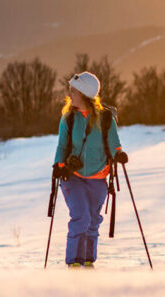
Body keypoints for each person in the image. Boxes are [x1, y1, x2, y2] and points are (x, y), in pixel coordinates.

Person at [52, 71, 128, 268]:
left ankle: (88, 261)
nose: (70, 95)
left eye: (74, 91)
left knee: (93, 220)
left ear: (85, 93)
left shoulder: (105, 119)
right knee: (81, 217)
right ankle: (74, 263)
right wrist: (58, 166)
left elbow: (114, 143)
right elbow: (61, 146)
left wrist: (118, 154)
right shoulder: (68, 118)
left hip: (98, 177)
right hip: (73, 176)